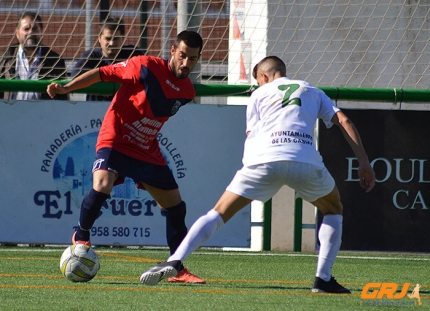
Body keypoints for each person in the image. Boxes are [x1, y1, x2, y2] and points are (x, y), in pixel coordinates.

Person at [139, 56, 376, 293]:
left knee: (218, 212)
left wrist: (251, 168)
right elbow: (343, 120)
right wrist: (364, 162)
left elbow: (251, 134)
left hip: (262, 160)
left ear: (263, 77)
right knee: (333, 209)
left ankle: (175, 259)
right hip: (304, 159)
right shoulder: (312, 90)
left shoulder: (258, 94)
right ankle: (322, 279)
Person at [46, 30, 206, 284]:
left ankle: (177, 268)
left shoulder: (186, 91)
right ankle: (81, 235)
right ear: (173, 51)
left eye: (193, 59)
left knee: (176, 207)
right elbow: (101, 73)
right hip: (116, 138)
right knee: (102, 184)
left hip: (146, 150)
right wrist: (67, 87)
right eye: (183, 56)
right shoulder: (144, 66)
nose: (186, 63)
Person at [71, 16, 144, 101]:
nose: (112, 43)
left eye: (116, 39)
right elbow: (75, 76)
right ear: (99, 38)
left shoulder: (133, 54)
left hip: (127, 109)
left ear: (123, 39)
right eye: (108, 38)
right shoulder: (91, 57)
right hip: (95, 109)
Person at [0, 11, 68, 100]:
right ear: (17, 34)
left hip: (42, 112)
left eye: (35, 29)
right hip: (12, 111)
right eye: (26, 29)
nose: (31, 32)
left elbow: (63, 97)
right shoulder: (5, 58)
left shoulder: (55, 61)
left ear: (41, 32)